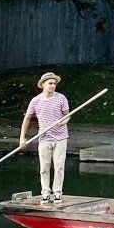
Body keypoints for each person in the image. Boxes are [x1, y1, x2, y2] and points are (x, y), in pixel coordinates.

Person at [21, 72, 71, 203]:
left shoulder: (61, 98)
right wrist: (22, 138)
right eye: (50, 83)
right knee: (44, 166)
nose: (53, 86)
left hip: (60, 137)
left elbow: (68, 115)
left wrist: (62, 122)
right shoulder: (36, 101)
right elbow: (27, 119)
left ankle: (57, 192)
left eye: (54, 83)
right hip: (44, 137)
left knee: (59, 166)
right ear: (43, 84)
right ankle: (45, 192)